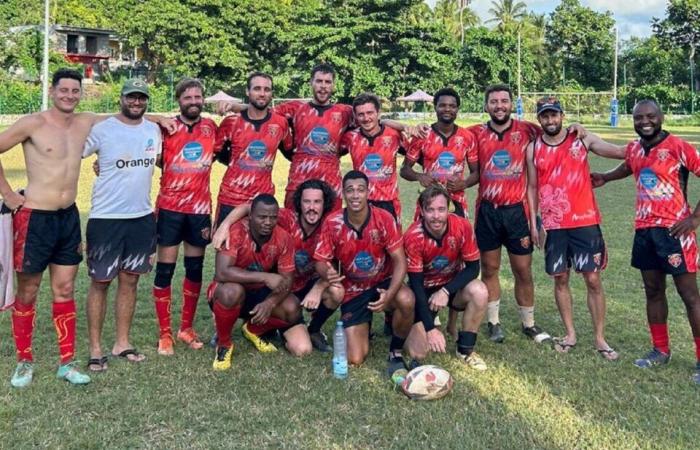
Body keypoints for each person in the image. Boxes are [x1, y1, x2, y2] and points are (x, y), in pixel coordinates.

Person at [591, 100, 700, 382]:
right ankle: (660, 351)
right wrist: (605, 176)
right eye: (639, 118)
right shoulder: (636, 148)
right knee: (653, 291)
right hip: (644, 232)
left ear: (660, 117)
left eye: (650, 116)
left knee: (689, 296)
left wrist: (695, 219)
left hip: (675, 233)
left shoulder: (678, 146)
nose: (645, 122)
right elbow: (630, 166)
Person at [218, 63, 423, 211]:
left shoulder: (344, 112)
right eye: (319, 81)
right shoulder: (295, 108)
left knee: (331, 231)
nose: (323, 86)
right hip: (298, 180)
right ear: (311, 83)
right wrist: (235, 106)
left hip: (330, 181)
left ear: (333, 85)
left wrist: (404, 126)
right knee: (294, 230)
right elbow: (259, 110)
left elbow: (374, 120)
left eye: (327, 82)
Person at [0, 69, 94, 386]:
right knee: (28, 291)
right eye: (63, 90)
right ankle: (24, 362)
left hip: (68, 217)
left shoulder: (85, 121)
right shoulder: (33, 123)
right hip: (34, 218)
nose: (69, 95)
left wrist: (161, 119)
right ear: (53, 91)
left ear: (81, 93)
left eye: (75, 90)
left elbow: (126, 114)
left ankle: (66, 362)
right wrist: (9, 194)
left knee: (65, 289)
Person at [525, 96, 623, 360]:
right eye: (545, 116)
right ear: (539, 119)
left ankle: (600, 338)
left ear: (561, 115)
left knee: (592, 279)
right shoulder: (533, 148)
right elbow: (532, 187)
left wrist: (646, 147)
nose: (550, 120)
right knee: (561, 278)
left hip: (585, 222)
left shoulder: (581, 139)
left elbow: (614, 150)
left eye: (554, 115)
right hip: (554, 225)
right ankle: (570, 334)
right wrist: (535, 221)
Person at [83, 78, 162, 369]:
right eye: (131, 97)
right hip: (106, 218)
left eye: (141, 98)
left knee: (130, 280)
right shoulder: (102, 129)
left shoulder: (153, 130)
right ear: (121, 98)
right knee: (100, 282)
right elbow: (75, 153)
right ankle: (95, 348)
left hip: (141, 217)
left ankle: (122, 343)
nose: (136, 102)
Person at [212, 179, 343, 352]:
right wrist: (225, 225)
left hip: (302, 286)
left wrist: (319, 288)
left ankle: (314, 330)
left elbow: (338, 268)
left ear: (325, 203)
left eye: (317, 201)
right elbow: (250, 208)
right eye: (307, 201)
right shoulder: (285, 217)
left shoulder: (331, 226)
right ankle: (239, 330)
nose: (312, 207)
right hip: (278, 285)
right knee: (233, 293)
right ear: (299, 203)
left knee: (335, 291)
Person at [465, 84, 552, 344]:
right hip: (488, 211)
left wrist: (576, 129)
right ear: (486, 105)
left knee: (522, 270)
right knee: (489, 268)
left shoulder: (527, 130)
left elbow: (555, 134)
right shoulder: (475, 133)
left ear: (511, 104)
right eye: (494, 101)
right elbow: (445, 132)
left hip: (517, 212)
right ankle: (493, 322)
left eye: (504, 101)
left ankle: (529, 324)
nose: (499, 106)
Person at [314, 170, 419, 376]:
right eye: (350, 190)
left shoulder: (384, 218)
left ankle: (395, 351)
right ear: (343, 193)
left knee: (406, 299)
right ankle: (365, 322)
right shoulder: (332, 222)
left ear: (368, 192)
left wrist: (390, 293)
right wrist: (328, 273)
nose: (355, 195)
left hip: (383, 282)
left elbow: (400, 260)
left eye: (360, 190)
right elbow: (320, 259)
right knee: (355, 358)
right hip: (354, 290)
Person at [208, 194, 312, 370]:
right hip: (229, 291)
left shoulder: (283, 238)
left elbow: (287, 279)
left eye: (272, 217)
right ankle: (224, 344)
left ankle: (252, 329)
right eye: (262, 217)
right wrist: (265, 277)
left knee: (293, 307)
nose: (268, 222)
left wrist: (269, 303)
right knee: (231, 292)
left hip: (258, 293)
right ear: (250, 217)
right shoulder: (236, 231)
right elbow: (222, 272)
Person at [152, 78, 217, 355]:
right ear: (178, 100)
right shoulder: (164, 128)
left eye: (197, 97)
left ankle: (186, 328)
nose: (193, 101)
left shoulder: (211, 128)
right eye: (187, 97)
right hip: (169, 208)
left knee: (194, 269)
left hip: (199, 209)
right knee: (165, 270)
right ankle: (165, 332)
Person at [403, 185, 489, 369]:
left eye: (441, 209)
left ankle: (465, 350)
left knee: (479, 291)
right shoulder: (412, 236)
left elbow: (473, 268)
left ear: (448, 209)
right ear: (422, 211)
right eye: (430, 210)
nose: (436, 216)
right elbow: (416, 286)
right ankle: (404, 324)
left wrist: (445, 291)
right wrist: (430, 329)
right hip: (424, 292)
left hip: (451, 287)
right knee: (419, 352)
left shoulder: (462, 226)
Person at [213, 72, 292, 226]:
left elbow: (291, 153)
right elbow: (217, 154)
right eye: (257, 88)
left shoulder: (280, 123)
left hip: (262, 200)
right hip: (231, 198)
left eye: (266, 89)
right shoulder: (231, 122)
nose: (262, 93)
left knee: (260, 248)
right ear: (247, 91)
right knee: (225, 247)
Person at [401, 87, 475, 219]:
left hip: (456, 201)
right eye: (442, 105)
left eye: (452, 106)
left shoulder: (467, 137)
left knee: (457, 238)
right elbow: (404, 169)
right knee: (426, 239)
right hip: (429, 201)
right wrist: (419, 176)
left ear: (457, 109)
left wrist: (463, 184)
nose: (447, 109)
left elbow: (477, 172)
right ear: (435, 107)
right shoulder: (423, 135)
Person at [340, 93, 407, 220]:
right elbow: (330, 153)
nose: (366, 118)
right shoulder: (350, 137)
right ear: (355, 116)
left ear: (378, 113)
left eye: (370, 113)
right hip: (360, 201)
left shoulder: (394, 135)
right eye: (361, 114)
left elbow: (417, 155)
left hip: (388, 202)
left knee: (391, 239)